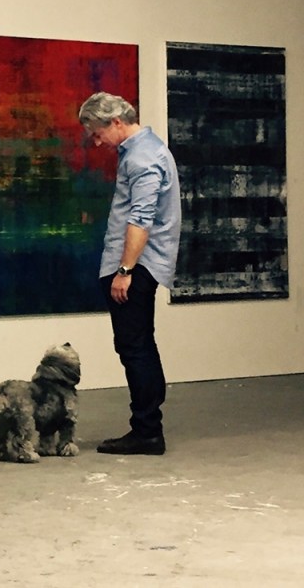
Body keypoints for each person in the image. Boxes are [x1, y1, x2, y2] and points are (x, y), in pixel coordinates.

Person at [78, 92, 181, 455]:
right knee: (137, 345)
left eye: (97, 133)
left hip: (136, 266)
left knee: (135, 347)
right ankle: (147, 426)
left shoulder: (142, 158)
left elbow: (141, 219)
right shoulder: (143, 151)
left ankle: (147, 431)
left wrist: (125, 270)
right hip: (136, 264)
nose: (96, 142)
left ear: (116, 122)